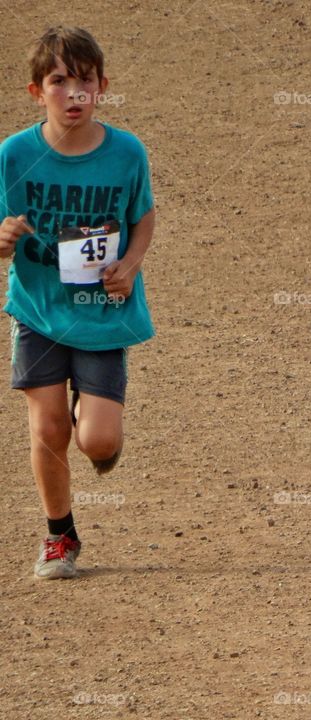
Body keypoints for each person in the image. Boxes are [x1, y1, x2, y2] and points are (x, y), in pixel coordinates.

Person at [0, 26, 156, 579]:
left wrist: (131, 265)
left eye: (84, 81)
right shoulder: (15, 154)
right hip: (39, 310)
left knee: (97, 439)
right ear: (36, 91)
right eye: (59, 81)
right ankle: (59, 537)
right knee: (47, 429)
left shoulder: (126, 153)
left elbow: (143, 216)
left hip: (102, 314)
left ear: (102, 87)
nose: (73, 93)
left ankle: (90, 421)